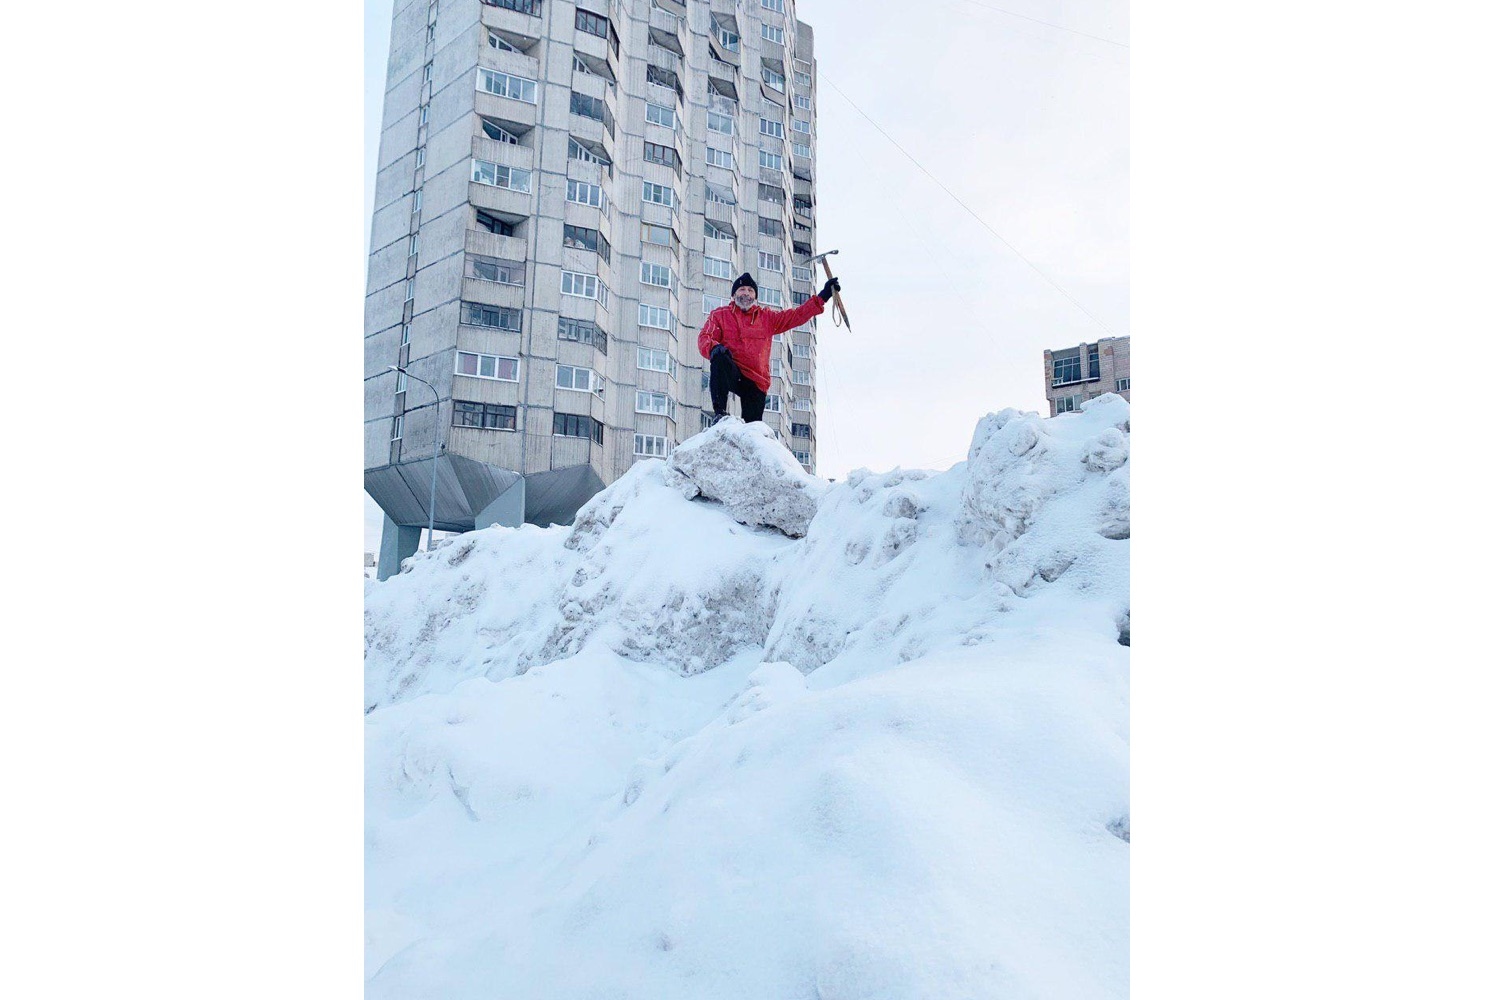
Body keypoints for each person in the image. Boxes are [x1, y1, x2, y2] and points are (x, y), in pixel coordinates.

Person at [697, 272, 842, 425]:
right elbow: (705, 337)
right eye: (742, 289)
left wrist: (823, 296)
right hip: (732, 370)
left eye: (750, 290)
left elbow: (796, 316)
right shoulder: (720, 315)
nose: (746, 293)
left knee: (752, 430)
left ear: (755, 297)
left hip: (756, 380)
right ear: (733, 295)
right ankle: (720, 414)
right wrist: (714, 347)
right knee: (719, 357)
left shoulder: (766, 318)